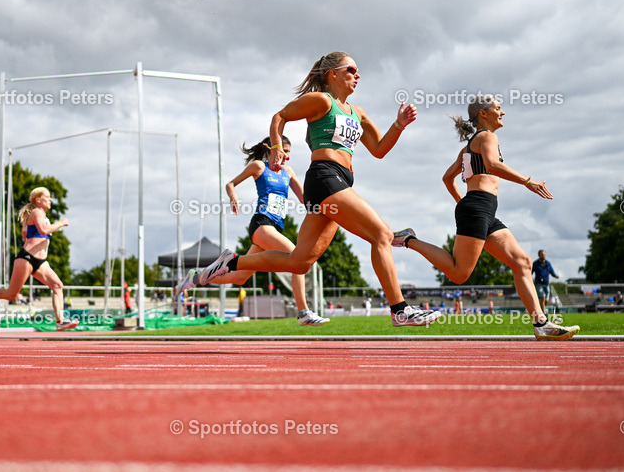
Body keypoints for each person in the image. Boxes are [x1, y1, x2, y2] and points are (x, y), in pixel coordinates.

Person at [179, 51, 441, 327]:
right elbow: (279, 116)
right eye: (351, 69)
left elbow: (378, 149)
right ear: (333, 74)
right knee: (382, 234)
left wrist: (399, 125)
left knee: (299, 262)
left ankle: (231, 263)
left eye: (358, 71)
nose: (357, 75)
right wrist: (277, 147)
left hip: (339, 181)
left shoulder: (358, 112)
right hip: (325, 177)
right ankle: (400, 309)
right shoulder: (321, 101)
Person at [391, 95, 579, 340]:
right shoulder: (488, 137)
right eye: (498, 108)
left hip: (483, 209)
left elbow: (447, 178)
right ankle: (408, 240)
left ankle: (541, 323)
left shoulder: (470, 145)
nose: (503, 112)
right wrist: (527, 181)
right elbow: (491, 165)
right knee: (459, 274)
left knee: (522, 262)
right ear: (483, 113)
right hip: (479, 207)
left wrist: (464, 203)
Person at [178, 136, 328, 326]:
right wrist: (233, 197)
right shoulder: (259, 166)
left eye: (290, 152)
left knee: (240, 278)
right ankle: (303, 312)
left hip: (274, 228)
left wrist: (325, 206)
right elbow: (230, 184)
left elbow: (305, 200)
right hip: (261, 224)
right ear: (273, 149)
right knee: (297, 256)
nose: (288, 157)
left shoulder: (288, 172)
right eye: (285, 151)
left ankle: (197, 277)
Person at [0, 187, 78, 331]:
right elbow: (43, 230)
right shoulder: (37, 211)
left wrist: (30, 239)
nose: (50, 200)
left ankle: (60, 321)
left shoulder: (41, 215)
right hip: (27, 259)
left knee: (58, 286)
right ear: (38, 200)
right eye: (47, 197)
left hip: (41, 262)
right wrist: (61, 223)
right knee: (11, 295)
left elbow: (25, 232)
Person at [532, 250, 561, 315]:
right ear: (539, 255)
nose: (543, 256)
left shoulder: (548, 263)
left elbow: (552, 272)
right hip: (538, 283)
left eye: (544, 255)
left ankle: (540, 309)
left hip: (546, 284)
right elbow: (531, 272)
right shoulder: (535, 264)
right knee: (542, 297)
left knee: (546, 300)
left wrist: (555, 276)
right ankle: (543, 313)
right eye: (542, 255)